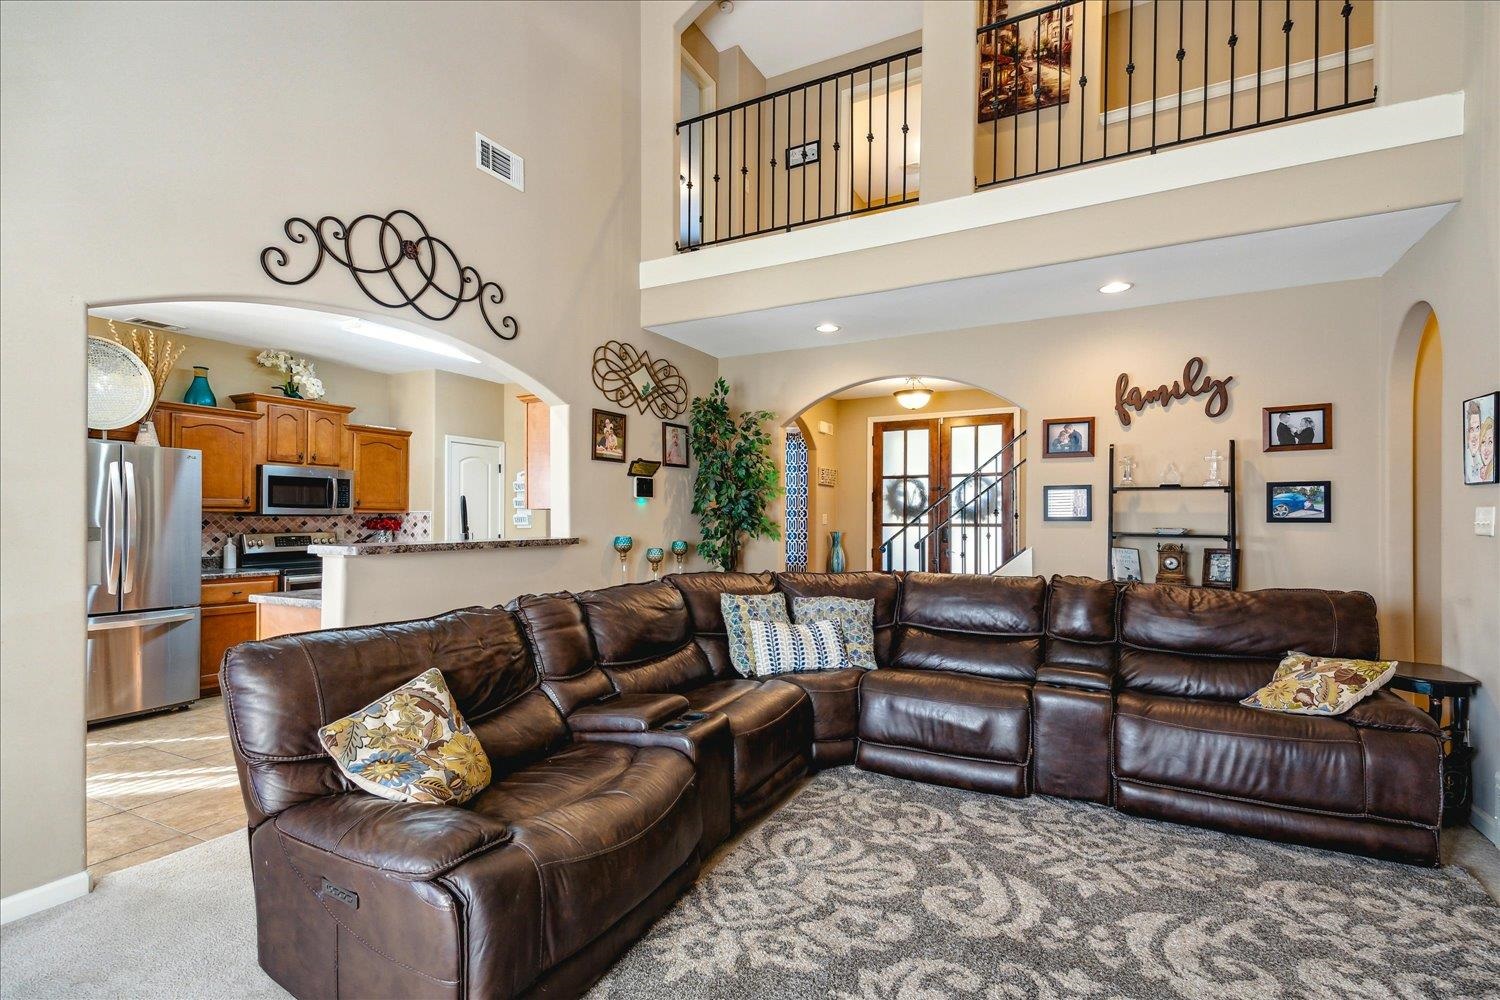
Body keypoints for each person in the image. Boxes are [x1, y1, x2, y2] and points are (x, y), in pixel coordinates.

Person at [1465, 400, 1485, 482]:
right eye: (1471, 429)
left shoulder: (1482, 460)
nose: (1475, 436)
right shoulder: (1465, 463)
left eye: (1477, 428)